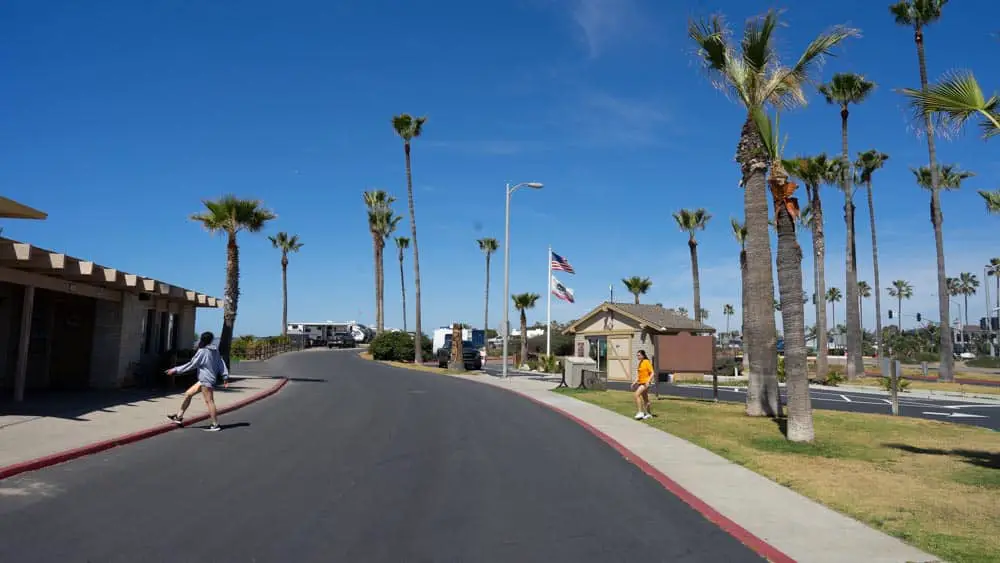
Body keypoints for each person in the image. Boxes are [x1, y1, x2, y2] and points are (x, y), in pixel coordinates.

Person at [166, 331, 229, 431]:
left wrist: (175, 370)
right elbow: (221, 363)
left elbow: (192, 364)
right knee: (188, 394)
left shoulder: (202, 351)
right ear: (211, 340)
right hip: (206, 379)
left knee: (209, 402)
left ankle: (215, 424)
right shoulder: (215, 350)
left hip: (206, 380)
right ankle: (179, 417)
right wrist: (225, 376)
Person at [631, 349, 654, 420]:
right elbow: (639, 375)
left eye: (639, 355)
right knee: (645, 399)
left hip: (645, 383)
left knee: (636, 395)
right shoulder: (640, 363)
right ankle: (649, 414)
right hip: (641, 382)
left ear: (643, 355)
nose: (637, 356)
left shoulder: (646, 362)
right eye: (637, 355)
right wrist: (634, 382)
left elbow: (652, 373)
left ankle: (640, 412)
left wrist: (648, 381)